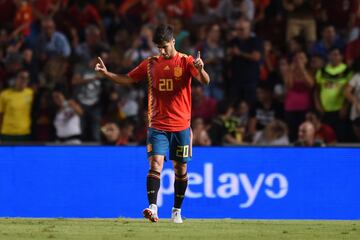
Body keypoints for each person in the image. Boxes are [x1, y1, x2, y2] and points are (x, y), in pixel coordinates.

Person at [94, 24, 210, 223]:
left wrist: (201, 69)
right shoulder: (150, 64)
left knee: (180, 170)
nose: (162, 51)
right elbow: (128, 79)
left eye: (165, 46)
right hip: (157, 125)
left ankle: (176, 211)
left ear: (173, 42)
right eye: (159, 48)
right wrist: (107, 74)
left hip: (181, 126)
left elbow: (205, 81)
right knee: (155, 163)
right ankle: (153, 207)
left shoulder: (186, 61)